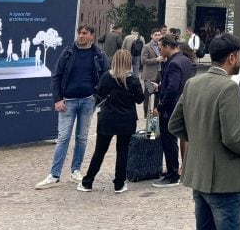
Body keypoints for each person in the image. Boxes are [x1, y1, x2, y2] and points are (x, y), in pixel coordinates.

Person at [170, 33, 240, 230]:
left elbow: (174, 125)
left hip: (198, 174)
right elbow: (232, 137)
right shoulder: (229, 87)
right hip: (225, 178)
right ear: (231, 57)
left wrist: (199, 140)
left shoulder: (193, 83)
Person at [36, 24, 108, 189]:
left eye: (84, 34)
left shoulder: (98, 54)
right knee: (63, 138)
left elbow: (105, 77)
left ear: (92, 36)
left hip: (88, 101)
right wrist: (58, 99)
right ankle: (54, 174)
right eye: (79, 33)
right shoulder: (68, 52)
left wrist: (97, 98)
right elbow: (56, 76)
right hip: (67, 102)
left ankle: (76, 170)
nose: (81, 36)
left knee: (82, 138)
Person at [77, 49, 144, 192]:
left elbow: (99, 95)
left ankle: (87, 181)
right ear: (128, 62)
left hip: (108, 117)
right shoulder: (132, 79)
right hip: (126, 118)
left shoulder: (107, 77)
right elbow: (139, 100)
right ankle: (119, 183)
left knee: (100, 151)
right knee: (122, 151)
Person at [152, 34, 195, 186]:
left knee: (168, 140)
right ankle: (173, 169)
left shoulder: (174, 63)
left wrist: (160, 106)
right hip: (183, 105)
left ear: (169, 46)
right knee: (174, 140)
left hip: (171, 109)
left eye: (161, 47)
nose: (160, 50)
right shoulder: (186, 60)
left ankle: (172, 174)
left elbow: (172, 88)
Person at [140, 27, 163, 119]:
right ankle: (146, 113)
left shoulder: (160, 45)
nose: (157, 37)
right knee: (148, 94)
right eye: (156, 35)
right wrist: (156, 59)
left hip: (159, 74)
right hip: (149, 75)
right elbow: (143, 60)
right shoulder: (147, 46)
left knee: (158, 94)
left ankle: (155, 112)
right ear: (152, 36)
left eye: (159, 35)